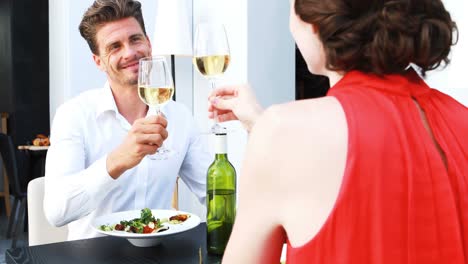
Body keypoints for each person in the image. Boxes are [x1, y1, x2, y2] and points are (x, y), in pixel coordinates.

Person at [209, 0, 468, 263]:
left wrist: (268, 134)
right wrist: (261, 126)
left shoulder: (280, 132)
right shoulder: (462, 120)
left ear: (314, 19)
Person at [44, 0, 210, 240]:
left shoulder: (180, 117)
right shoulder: (73, 115)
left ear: (149, 44)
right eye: (114, 46)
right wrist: (118, 160)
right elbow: (56, 212)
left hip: (159, 255)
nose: (130, 53)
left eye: (135, 39)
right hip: (92, 257)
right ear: (98, 61)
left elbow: (214, 191)